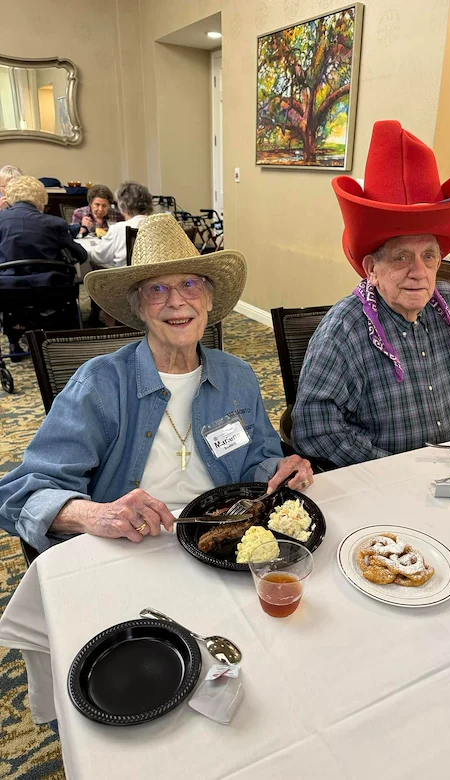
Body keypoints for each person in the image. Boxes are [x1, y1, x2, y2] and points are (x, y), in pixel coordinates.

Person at [0, 213, 313, 553]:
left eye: (190, 285)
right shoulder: (99, 384)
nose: (177, 301)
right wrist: (96, 514)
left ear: (208, 299)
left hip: (223, 539)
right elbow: (23, 494)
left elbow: (259, 461)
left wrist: (282, 467)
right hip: (133, 545)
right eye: (157, 289)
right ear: (139, 309)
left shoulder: (238, 376)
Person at [291, 120, 450, 468]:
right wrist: (395, 470)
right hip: (386, 483)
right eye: (402, 257)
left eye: (429, 256)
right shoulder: (344, 328)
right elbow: (314, 429)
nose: (419, 272)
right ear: (372, 268)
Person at [0, 175, 88, 356]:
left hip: (7, 289)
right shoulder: (54, 223)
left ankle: (14, 342)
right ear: (41, 199)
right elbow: (80, 255)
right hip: (49, 289)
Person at [87, 181, 153, 269]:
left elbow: (100, 257)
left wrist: (90, 251)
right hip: (153, 278)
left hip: (124, 279)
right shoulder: (158, 225)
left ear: (122, 206)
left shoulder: (118, 228)